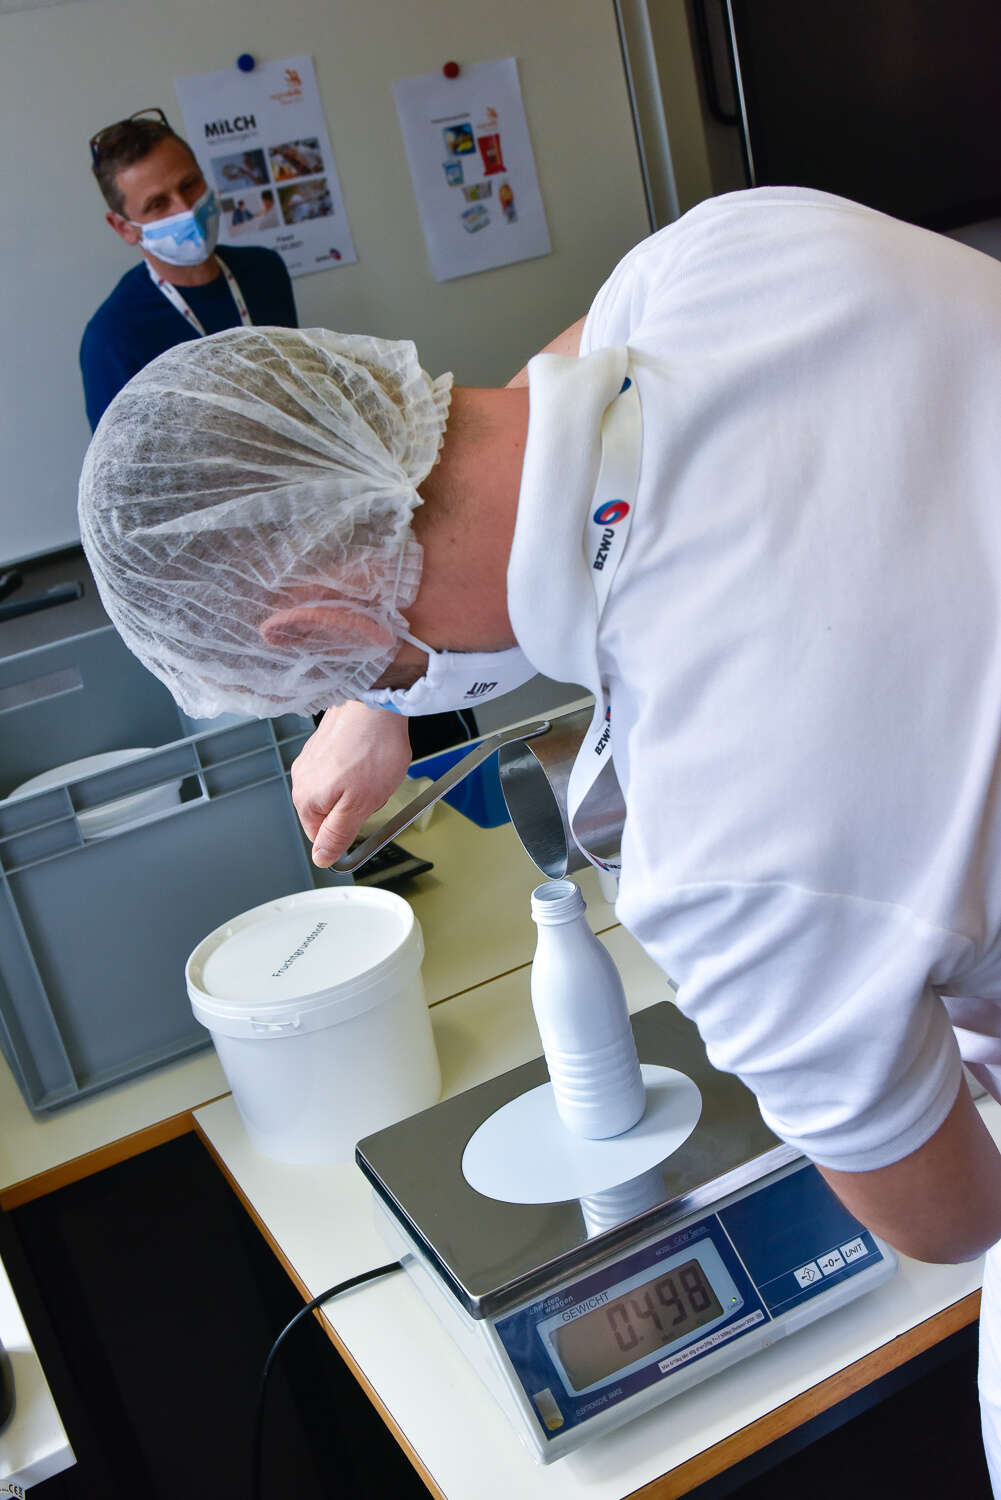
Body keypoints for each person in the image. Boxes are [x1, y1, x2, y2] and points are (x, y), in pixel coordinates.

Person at [78, 186, 1001, 1485]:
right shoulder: (736, 246)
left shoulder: (717, 860)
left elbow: (953, 1216)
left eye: (317, 683)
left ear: (310, 640)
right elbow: (573, 369)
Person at [80, 108, 298, 430]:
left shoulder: (265, 271)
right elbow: (125, 472)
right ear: (124, 227)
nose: (185, 210)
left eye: (189, 184)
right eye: (158, 204)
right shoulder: (113, 337)